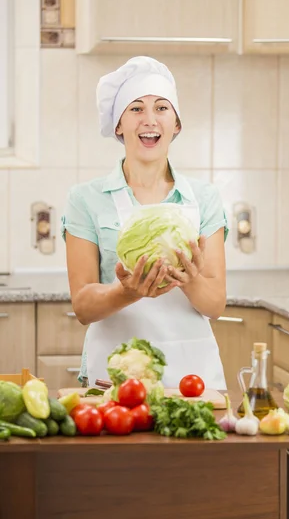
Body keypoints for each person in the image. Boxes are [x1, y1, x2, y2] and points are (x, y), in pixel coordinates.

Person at [61, 56, 228, 389]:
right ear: (118, 125)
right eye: (136, 109)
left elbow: (216, 304)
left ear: (176, 124)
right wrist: (127, 292)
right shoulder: (85, 199)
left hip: (191, 380)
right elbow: (82, 306)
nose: (149, 119)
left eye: (162, 108)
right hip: (115, 379)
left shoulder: (204, 198)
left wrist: (189, 279)